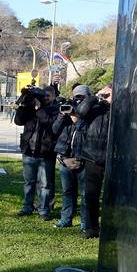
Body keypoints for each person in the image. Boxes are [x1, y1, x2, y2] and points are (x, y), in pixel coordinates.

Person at [14, 85, 59, 219]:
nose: (45, 98)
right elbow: (18, 121)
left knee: (45, 184)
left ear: (53, 97)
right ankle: (27, 206)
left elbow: (49, 122)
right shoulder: (30, 108)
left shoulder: (55, 109)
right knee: (29, 182)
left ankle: (44, 209)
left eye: (47, 96)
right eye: (43, 96)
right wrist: (24, 105)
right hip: (29, 150)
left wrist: (39, 108)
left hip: (46, 152)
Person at [74, 83, 112, 239]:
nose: (107, 98)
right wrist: (94, 97)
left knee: (111, 196)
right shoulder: (95, 108)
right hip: (92, 156)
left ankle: (110, 226)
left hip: (112, 158)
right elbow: (80, 111)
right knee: (91, 195)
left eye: (109, 95)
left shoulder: (122, 108)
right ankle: (91, 228)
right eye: (106, 94)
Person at [51, 85, 91, 229]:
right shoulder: (68, 109)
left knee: (85, 193)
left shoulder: (92, 113)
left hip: (84, 158)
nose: (78, 101)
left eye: (81, 97)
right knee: (67, 191)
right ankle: (66, 219)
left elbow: (89, 133)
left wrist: (77, 118)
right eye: (76, 97)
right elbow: (55, 130)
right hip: (66, 157)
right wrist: (62, 115)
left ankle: (85, 222)